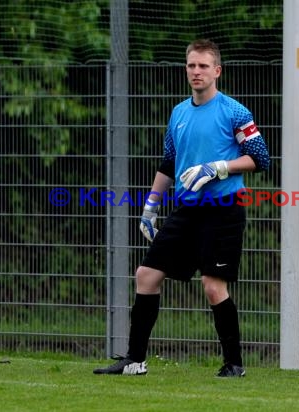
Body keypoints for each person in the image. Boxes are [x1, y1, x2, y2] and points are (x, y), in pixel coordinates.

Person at [93, 39, 270, 377]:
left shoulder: (234, 111)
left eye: (203, 66)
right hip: (186, 211)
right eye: (191, 65)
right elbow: (169, 163)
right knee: (146, 275)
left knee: (213, 287)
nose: (196, 71)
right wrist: (149, 208)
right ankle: (134, 360)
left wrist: (218, 168)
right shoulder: (178, 113)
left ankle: (234, 364)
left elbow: (260, 158)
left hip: (223, 209)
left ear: (217, 70)